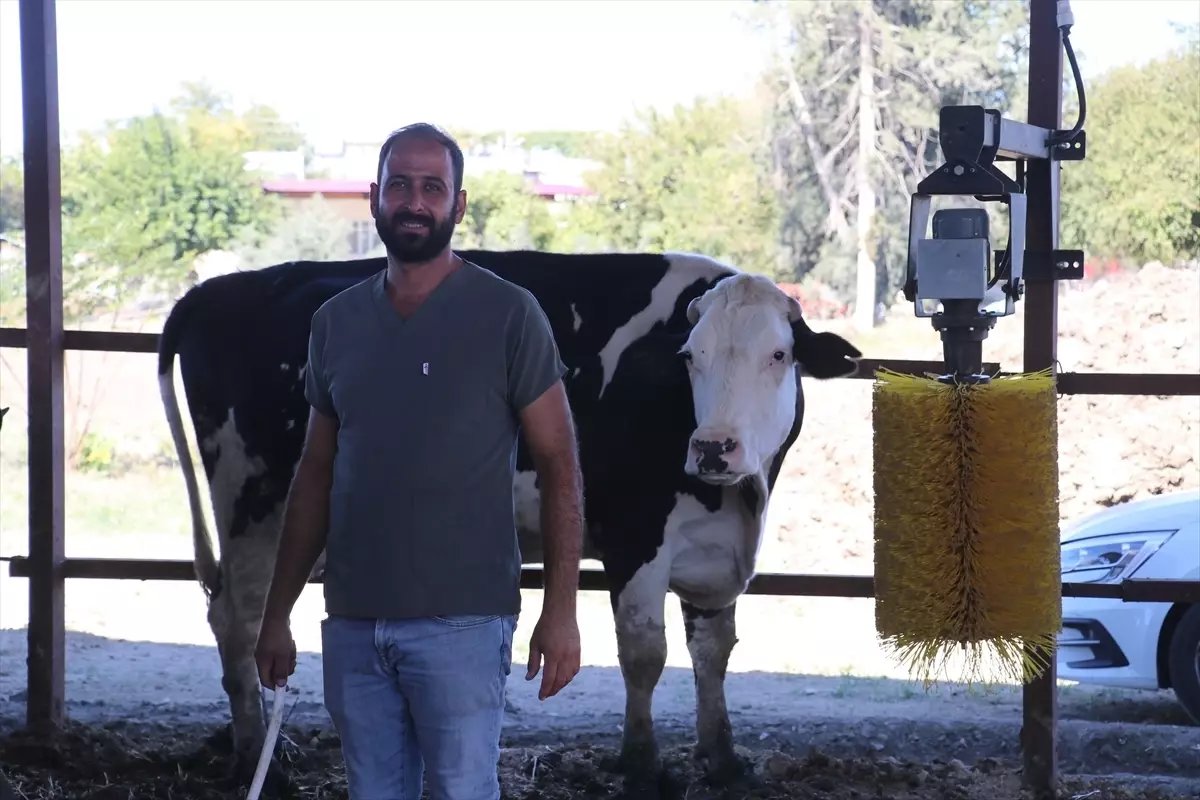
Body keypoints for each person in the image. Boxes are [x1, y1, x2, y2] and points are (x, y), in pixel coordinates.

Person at [253, 122, 584, 800]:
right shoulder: (335, 323)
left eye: (433, 187)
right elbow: (315, 472)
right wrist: (277, 612)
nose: (414, 201)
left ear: (458, 205)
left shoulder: (508, 314)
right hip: (354, 619)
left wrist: (562, 610)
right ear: (375, 197)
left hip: (463, 621)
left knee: (463, 791)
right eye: (400, 185)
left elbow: (559, 464)